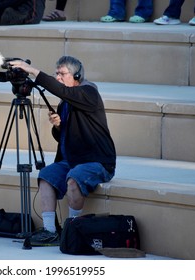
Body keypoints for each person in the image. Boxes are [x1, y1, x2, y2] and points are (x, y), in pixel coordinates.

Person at [9, 56, 116, 246]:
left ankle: (72, 228)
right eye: (56, 73)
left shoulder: (89, 92)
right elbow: (65, 137)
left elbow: (63, 91)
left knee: (74, 178)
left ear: (76, 75)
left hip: (97, 161)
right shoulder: (65, 102)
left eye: (62, 73)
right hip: (73, 159)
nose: (58, 77)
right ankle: (50, 231)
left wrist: (31, 70)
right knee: (46, 175)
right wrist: (58, 127)